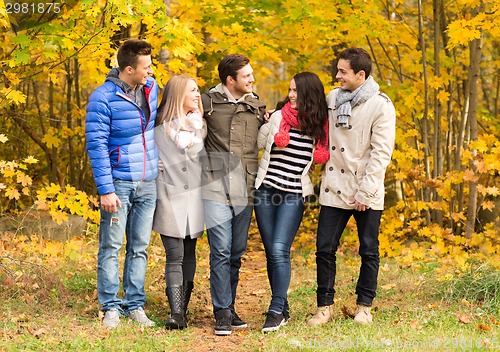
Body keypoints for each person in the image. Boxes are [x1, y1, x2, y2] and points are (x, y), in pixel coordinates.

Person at [307, 48, 396, 326]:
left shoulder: (381, 105)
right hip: (335, 185)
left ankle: (364, 306)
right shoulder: (333, 98)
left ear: (361, 74)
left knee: (368, 250)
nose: (337, 75)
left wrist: (366, 192)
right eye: (338, 70)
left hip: (364, 188)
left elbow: (381, 153)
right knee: (324, 248)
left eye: (343, 71)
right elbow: (310, 118)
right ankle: (324, 306)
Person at [85, 39, 159, 328]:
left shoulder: (151, 90)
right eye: (146, 67)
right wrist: (106, 189)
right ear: (129, 69)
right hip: (119, 182)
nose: (151, 71)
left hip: (148, 181)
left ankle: (135, 305)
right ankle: (110, 307)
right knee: (112, 246)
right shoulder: (102, 98)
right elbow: (97, 144)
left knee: (139, 246)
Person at [254, 72, 329, 332]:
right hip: (265, 191)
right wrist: (267, 123)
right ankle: (281, 306)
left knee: (278, 249)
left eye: (296, 90)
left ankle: (275, 309)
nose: (291, 94)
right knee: (271, 253)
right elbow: (258, 143)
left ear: (309, 94)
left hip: (293, 194)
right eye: (290, 90)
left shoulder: (320, 126)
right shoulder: (278, 116)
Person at [201, 53, 267, 336]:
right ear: (231, 80)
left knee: (237, 252)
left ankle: (229, 305)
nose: (252, 79)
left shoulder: (256, 104)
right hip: (214, 186)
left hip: (246, 188)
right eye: (247, 76)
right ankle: (222, 312)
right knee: (221, 249)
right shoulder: (207, 102)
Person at [153, 75, 206, 330]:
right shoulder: (160, 127)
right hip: (168, 196)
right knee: (175, 254)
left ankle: (183, 308)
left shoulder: (199, 125)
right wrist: (154, 165)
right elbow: (143, 151)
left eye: (198, 90)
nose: (197, 95)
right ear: (178, 95)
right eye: (192, 91)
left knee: (190, 252)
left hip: (194, 197)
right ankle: (175, 313)